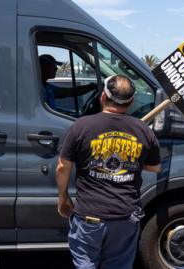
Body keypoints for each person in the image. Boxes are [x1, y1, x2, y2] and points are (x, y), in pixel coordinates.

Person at [55, 74, 161, 269]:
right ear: (131, 102)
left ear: (103, 97)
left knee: (85, 263)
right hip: (125, 218)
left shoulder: (81, 126)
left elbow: (62, 167)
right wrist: (131, 161)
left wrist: (63, 198)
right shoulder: (143, 130)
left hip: (89, 217)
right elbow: (155, 167)